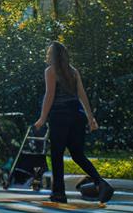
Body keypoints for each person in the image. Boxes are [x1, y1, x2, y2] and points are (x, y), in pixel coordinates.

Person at [34, 42, 110, 203]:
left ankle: (59, 193)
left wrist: (42, 118)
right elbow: (82, 95)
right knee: (77, 154)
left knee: (56, 155)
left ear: (52, 56)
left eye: (49, 53)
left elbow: (49, 95)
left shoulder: (50, 71)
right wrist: (90, 118)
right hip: (77, 116)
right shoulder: (73, 71)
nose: (47, 56)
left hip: (59, 117)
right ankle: (100, 182)